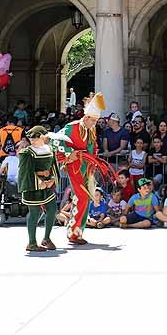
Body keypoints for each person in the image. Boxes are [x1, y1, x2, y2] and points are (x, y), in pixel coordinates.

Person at [53, 93, 115, 244]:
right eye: (93, 120)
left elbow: (93, 148)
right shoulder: (72, 127)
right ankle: (73, 233)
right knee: (81, 197)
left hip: (88, 168)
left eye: (96, 120)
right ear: (86, 118)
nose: (95, 123)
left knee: (86, 199)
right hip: (75, 167)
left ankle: (77, 232)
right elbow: (55, 141)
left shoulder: (91, 130)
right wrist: (70, 153)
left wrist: (94, 162)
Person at [19, 126, 60, 252]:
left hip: (47, 185)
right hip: (33, 186)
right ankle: (31, 243)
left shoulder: (50, 150)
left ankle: (46, 238)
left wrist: (53, 180)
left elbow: (54, 166)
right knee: (34, 213)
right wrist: (39, 182)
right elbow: (25, 172)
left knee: (52, 210)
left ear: (43, 136)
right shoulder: (27, 153)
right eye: (31, 138)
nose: (32, 141)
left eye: (35, 138)